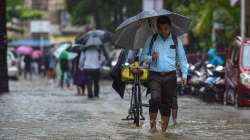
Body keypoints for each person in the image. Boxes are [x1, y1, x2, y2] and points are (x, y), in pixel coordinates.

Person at [141, 16, 188, 133]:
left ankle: (163, 132)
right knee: (155, 99)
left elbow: (182, 59)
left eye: (166, 29)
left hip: (170, 76)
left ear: (170, 28)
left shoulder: (176, 40)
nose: (163, 31)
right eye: (160, 29)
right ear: (157, 28)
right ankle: (152, 127)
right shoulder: (151, 39)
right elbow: (143, 57)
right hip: (154, 75)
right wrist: (151, 57)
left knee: (167, 103)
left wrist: (184, 75)